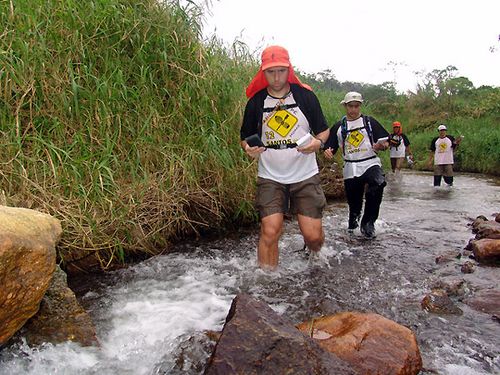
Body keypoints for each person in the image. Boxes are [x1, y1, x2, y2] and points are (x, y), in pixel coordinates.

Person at [240, 45, 330, 270]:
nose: (276, 77)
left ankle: (314, 254)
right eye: (271, 72)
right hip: (270, 175)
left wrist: (317, 143)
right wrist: (248, 148)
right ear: (263, 72)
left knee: (313, 237)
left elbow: (323, 131)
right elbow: (246, 137)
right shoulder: (256, 102)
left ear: (289, 69)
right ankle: (266, 286)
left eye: (281, 71)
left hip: (305, 173)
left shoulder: (305, 97)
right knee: (270, 230)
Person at [324, 92, 389, 238]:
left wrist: (382, 146)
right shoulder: (339, 127)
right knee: (354, 206)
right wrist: (327, 152)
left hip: (370, 162)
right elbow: (330, 148)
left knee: (378, 183)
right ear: (345, 106)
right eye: (350, 106)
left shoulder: (369, 122)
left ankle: (368, 222)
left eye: (356, 106)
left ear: (360, 106)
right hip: (350, 167)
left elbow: (385, 141)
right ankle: (353, 228)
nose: (353, 110)